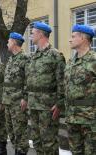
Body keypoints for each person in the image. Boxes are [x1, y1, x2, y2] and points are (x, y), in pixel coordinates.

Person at [24, 22, 66, 155]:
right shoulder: (33, 56)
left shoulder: (56, 55)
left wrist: (59, 104)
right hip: (34, 104)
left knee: (49, 141)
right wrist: (26, 98)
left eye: (33, 32)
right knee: (36, 140)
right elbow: (28, 80)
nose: (31, 35)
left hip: (48, 107)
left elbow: (62, 82)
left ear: (41, 34)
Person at [64, 24, 96, 155]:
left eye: (73, 36)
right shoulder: (71, 62)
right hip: (72, 117)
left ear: (83, 38)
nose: (70, 40)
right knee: (75, 152)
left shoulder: (94, 60)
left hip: (90, 120)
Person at [2, 32, 29, 155]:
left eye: (8, 41)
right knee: (11, 130)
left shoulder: (25, 59)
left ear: (14, 42)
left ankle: (21, 152)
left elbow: (28, 80)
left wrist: (25, 97)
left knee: (20, 131)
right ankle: (17, 150)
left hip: (18, 102)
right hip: (8, 101)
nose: (7, 43)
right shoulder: (11, 59)